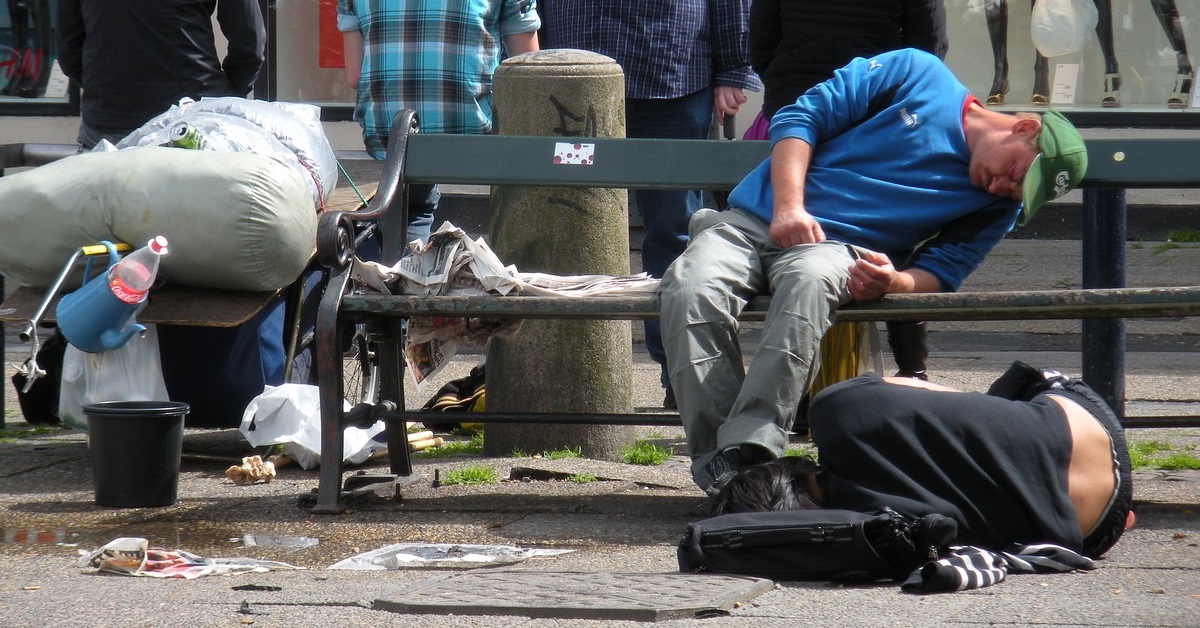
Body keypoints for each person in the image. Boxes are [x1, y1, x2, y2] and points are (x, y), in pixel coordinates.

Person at [658, 48, 1089, 497]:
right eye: (1017, 174)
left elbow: (942, 270)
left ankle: (750, 452)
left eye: (1020, 191)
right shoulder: (917, 74)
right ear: (1024, 128)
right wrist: (789, 207)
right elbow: (800, 118)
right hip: (753, 220)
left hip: (837, 250)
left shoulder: (999, 205)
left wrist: (894, 282)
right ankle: (725, 471)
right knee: (690, 287)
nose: (1006, 189)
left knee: (810, 281)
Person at [541, 1, 762, 408]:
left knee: (674, 233)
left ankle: (682, 375)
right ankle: (562, 377)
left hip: (669, 79)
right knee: (566, 226)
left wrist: (732, 70)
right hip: (569, 82)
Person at [711, 363, 1134, 559]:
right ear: (789, 468)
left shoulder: (877, 537)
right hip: (1089, 427)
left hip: (1095, 529)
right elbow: (934, 394)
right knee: (997, 400)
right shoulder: (834, 410)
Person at [745, 0, 948, 382]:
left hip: (799, 102)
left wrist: (790, 83)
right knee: (887, 231)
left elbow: (761, 45)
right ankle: (912, 368)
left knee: (806, 245)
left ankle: (807, 386)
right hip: (876, 109)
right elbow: (929, 49)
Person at [337, 0, 540, 246]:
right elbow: (528, 72)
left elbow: (354, 75)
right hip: (478, 139)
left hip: (390, 138)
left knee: (414, 207)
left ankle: (407, 259)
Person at [56, 0, 266, 149]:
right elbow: (250, 46)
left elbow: (69, 50)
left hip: (109, 124)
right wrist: (222, 101)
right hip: (192, 120)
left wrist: (113, 92)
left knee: (107, 210)